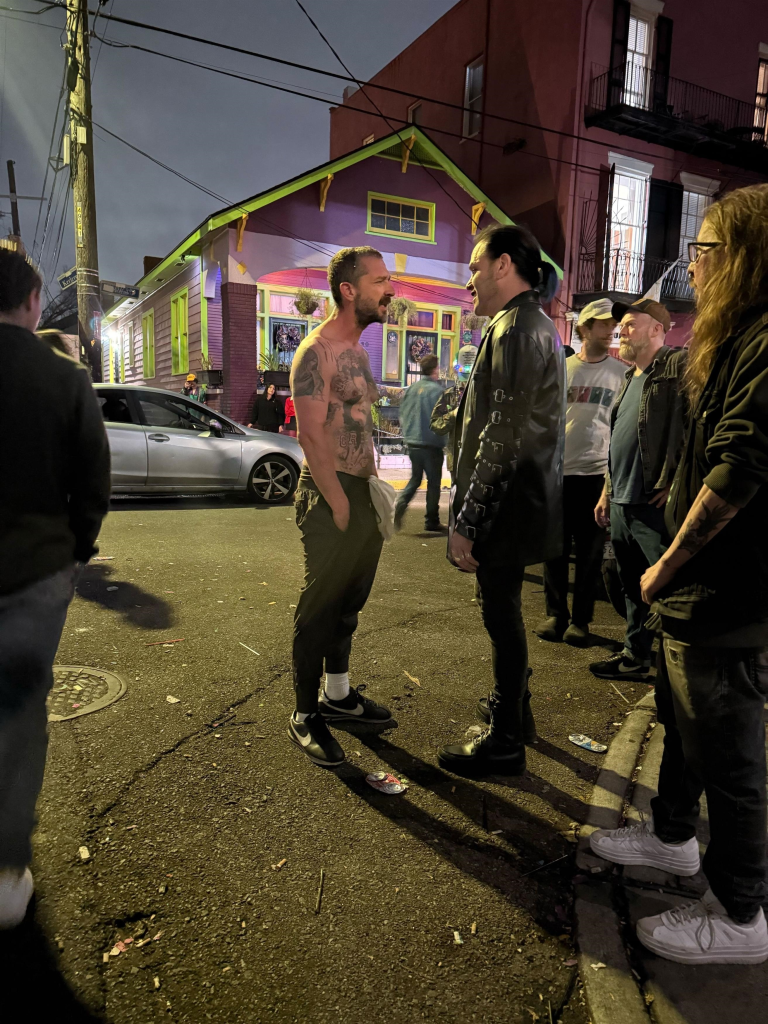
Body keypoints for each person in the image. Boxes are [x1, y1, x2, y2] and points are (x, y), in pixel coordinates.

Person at [591, 184, 768, 965]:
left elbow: (741, 467)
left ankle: (739, 913)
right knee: (684, 721)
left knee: (729, 750)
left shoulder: (765, 337)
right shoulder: (731, 334)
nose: (692, 261)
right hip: (700, 586)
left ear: (743, 256)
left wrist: (666, 560)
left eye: (705, 248)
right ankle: (670, 838)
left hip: (727, 588)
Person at [0, 248, 110, 928]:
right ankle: (9, 867)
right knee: (20, 718)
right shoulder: (65, 380)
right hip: (37, 573)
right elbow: (92, 484)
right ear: (35, 302)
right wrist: (77, 553)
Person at [436, 224, 565, 777]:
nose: (468, 281)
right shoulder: (529, 323)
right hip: (522, 499)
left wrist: (467, 519)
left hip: (508, 503)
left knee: (501, 613)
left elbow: (503, 433)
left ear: (503, 265)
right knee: (504, 611)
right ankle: (516, 713)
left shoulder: (515, 328)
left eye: (473, 267)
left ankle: (507, 737)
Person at [288, 246, 395, 767]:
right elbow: (312, 435)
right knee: (320, 607)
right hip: (328, 491)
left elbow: (362, 420)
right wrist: (338, 502)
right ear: (348, 290)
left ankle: (338, 696)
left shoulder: (359, 352)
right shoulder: (316, 351)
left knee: (349, 603)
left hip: (360, 491)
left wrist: (372, 491)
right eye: (379, 281)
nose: (389, 290)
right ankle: (305, 714)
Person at [589, 299, 686, 682]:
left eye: (631, 324)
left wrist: (676, 480)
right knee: (630, 586)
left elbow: (695, 427)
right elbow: (619, 441)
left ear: (658, 330)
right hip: (622, 502)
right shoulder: (630, 379)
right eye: (622, 325)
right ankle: (635, 656)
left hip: (652, 504)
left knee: (668, 587)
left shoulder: (677, 367)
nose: (622, 331)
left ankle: (677, 668)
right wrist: (606, 492)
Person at [535, 299, 625, 646]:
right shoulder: (562, 369)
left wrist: (610, 480)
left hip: (595, 476)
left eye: (612, 324)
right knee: (553, 549)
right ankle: (556, 614)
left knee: (589, 554)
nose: (610, 329)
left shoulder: (620, 374)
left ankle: (581, 621)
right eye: (603, 324)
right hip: (558, 474)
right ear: (584, 328)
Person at [394, 353, 447, 532]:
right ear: (434, 369)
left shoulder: (411, 389)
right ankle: (431, 520)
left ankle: (400, 504)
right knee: (433, 483)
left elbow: (402, 413)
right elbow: (443, 419)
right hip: (431, 444)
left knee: (416, 479)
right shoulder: (438, 391)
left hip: (413, 442)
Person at [430, 343, 478, 477]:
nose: (466, 383)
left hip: (480, 462)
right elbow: (435, 424)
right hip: (457, 460)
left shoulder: (488, 396)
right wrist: (452, 415)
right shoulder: (449, 395)